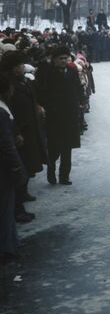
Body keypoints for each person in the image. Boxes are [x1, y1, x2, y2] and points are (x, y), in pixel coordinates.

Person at [1, 51, 45, 220]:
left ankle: (23, 193)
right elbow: (8, 111)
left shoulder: (21, 80)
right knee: (20, 164)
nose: (22, 67)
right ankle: (17, 208)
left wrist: (38, 106)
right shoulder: (7, 84)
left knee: (28, 163)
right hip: (20, 129)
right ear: (12, 68)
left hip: (29, 126)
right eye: (19, 65)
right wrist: (17, 131)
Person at [36, 46, 85, 185]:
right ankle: (51, 173)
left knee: (67, 148)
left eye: (66, 58)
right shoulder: (47, 73)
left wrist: (81, 101)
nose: (64, 61)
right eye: (61, 59)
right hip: (54, 116)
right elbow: (42, 93)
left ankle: (64, 176)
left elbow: (78, 87)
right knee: (53, 148)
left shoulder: (71, 70)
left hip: (69, 114)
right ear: (54, 60)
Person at [0, 72, 27, 264]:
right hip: (4, 170)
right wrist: (17, 168)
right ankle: (8, 247)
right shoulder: (2, 111)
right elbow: (7, 145)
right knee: (6, 209)